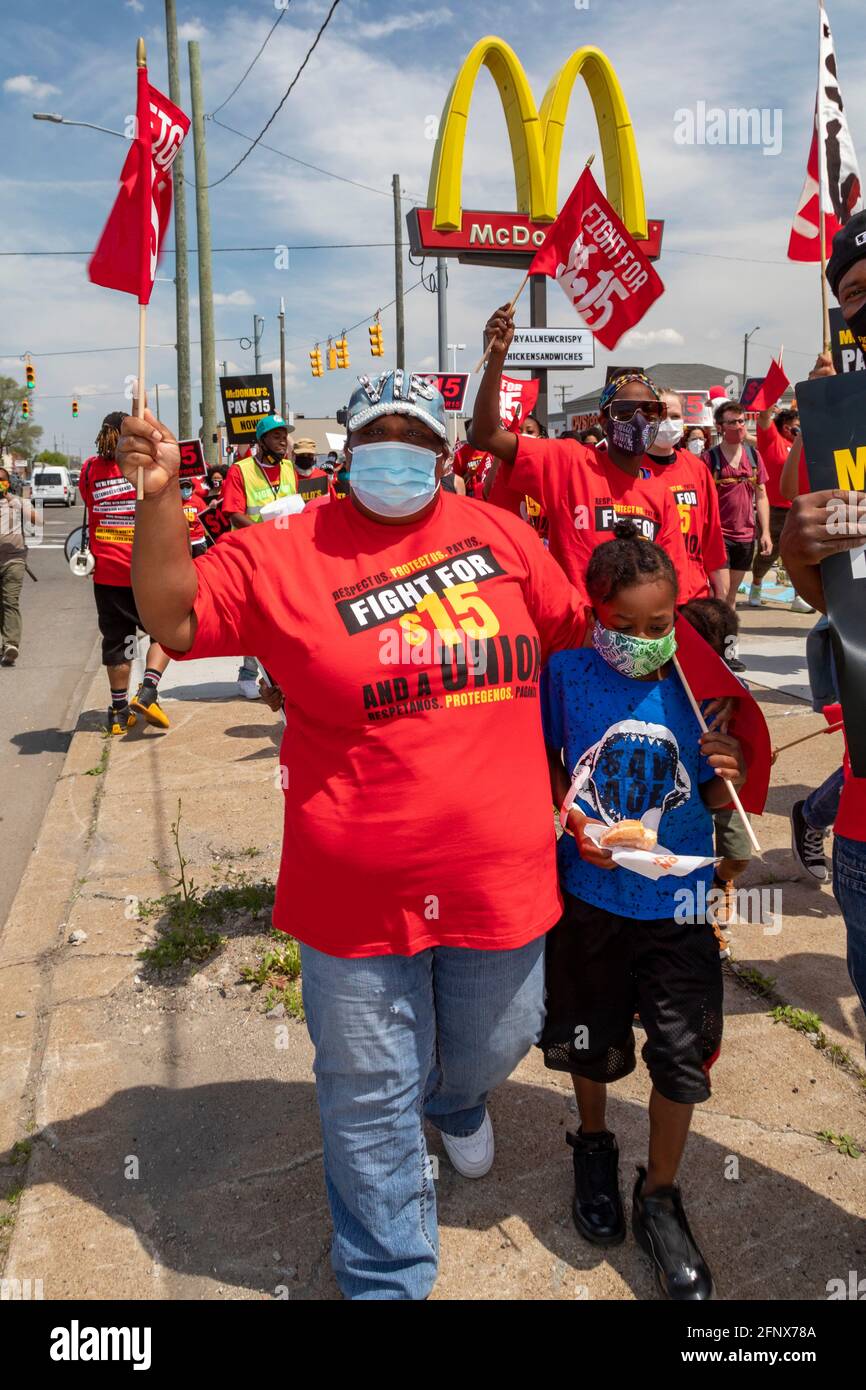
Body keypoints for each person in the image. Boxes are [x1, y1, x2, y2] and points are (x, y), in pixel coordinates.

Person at [116, 369, 589, 1301]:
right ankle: (386, 1277)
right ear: (348, 449)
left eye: (417, 435)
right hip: (354, 892)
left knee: (504, 1035)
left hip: (503, 878)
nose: (397, 450)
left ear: (443, 454)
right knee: (371, 1095)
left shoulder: (501, 536)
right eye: (380, 431)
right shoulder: (281, 549)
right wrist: (163, 498)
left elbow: (576, 633)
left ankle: (453, 1100)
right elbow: (171, 615)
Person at [541, 521, 746, 1300]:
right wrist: (575, 824)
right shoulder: (564, 675)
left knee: (679, 1055)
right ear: (593, 611)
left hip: (683, 896)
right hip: (591, 896)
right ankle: (592, 1144)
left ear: (679, 614)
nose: (639, 640)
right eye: (619, 623)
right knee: (588, 1037)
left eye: (657, 625)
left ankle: (659, 1195)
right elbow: (545, 772)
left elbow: (737, 784)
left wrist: (733, 766)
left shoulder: (705, 683)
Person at [779, 210, 866, 1022]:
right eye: (856, 294)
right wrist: (801, 548)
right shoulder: (833, 429)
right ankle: (819, 813)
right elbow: (830, 594)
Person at [472, 303, 689, 605]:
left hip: (634, 638)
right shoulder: (570, 462)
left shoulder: (660, 495)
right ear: (603, 420)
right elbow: (486, 435)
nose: (639, 420)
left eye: (650, 411)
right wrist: (497, 357)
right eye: (624, 411)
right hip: (575, 633)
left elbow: (674, 585)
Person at [78, 413, 171, 733]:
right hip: (145, 569)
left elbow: (89, 502)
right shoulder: (141, 465)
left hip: (106, 573)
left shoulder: (89, 468)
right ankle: (148, 692)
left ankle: (119, 712)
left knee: (119, 641)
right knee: (166, 632)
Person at [678, 596, 752, 952]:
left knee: (739, 856)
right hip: (683, 791)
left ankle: (719, 880)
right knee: (690, 859)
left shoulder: (732, 691)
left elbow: (749, 734)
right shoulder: (667, 682)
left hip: (722, 786)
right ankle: (704, 925)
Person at [220, 414, 298, 698]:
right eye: (276, 435)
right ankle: (248, 675)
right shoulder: (241, 471)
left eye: (284, 435)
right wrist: (263, 535)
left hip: (286, 552)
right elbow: (232, 512)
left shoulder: (289, 468)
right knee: (259, 615)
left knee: (285, 614)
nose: (282, 440)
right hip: (254, 553)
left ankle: (282, 674)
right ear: (262, 440)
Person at [645, 389, 728, 602]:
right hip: (646, 592)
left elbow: (711, 533)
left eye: (674, 417)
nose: (668, 423)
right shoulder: (631, 468)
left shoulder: (696, 469)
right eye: (660, 417)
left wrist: (721, 588)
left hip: (693, 592)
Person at [703, 401, 772, 619]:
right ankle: (716, 646)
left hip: (746, 536)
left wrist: (766, 533)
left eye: (742, 421)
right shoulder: (709, 459)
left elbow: (761, 496)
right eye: (733, 422)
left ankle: (728, 646)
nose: (740, 426)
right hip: (718, 535)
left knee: (731, 597)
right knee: (720, 595)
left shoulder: (753, 457)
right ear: (720, 427)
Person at [752, 404, 812, 612]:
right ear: (785, 427)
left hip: (799, 507)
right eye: (796, 426)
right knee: (768, 553)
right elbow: (763, 418)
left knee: (799, 552)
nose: (799, 429)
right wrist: (768, 401)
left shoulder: (805, 444)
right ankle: (757, 584)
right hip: (775, 509)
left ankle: (800, 596)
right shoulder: (772, 440)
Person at [0, 467, 38, 667]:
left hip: (14, 560)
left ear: (8, 483)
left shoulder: (17, 502)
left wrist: (16, 504)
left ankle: (11, 644)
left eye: (2, 480)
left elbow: (38, 520)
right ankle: (4, 644)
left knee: (10, 601)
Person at [292, 437, 332, 502]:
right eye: (302, 455)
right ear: (294, 455)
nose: (305, 457)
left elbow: (329, 500)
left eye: (309, 455)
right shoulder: (289, 475)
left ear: (314, 456)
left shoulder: (321, 476)